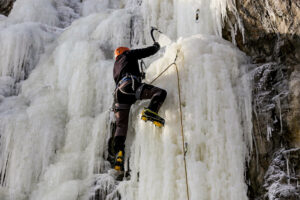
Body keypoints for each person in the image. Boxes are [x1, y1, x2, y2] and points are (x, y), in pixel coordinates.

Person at [112, 42, 167, 171]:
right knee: (159, 93)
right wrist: (155, 47)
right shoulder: (127, 54)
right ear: (124, 51)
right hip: (129, 86)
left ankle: (119, 152)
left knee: (121, 125)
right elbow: (143, 52)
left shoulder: (116, 65)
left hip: (119, 95)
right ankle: (150, 112)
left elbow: (125, 71)